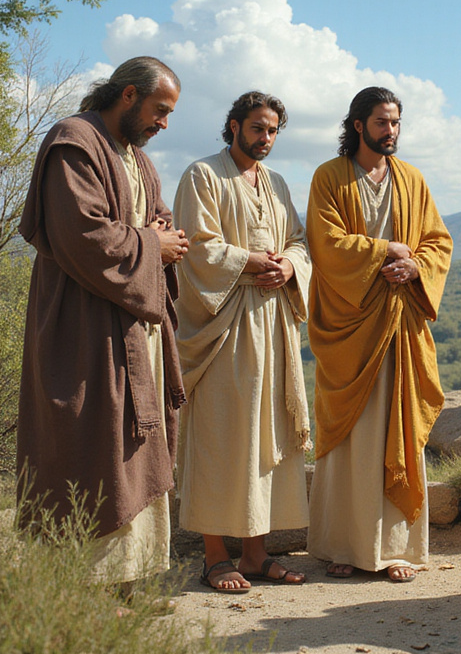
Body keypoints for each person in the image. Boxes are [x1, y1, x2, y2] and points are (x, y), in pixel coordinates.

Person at [17, 56, 190, 586]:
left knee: (134, 447)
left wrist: (159, 231)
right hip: (83, 328)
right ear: (129, 95)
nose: (164, 124)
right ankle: (82, 591)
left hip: (136, 329)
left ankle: (131, 580)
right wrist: (151, 244)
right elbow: (82, 235)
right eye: (160, 110)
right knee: (89, 445)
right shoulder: (75, 140)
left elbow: (151, 213)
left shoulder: (136, 157)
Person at [305, 86, 452, 583]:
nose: (390, 131)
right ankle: (342, 546)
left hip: (402, 326)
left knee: (399, 426)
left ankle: (396, 549)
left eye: (396, 123)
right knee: (353, 436)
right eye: (381, 122)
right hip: (353, 328)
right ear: (357, 125)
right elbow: (325, 243)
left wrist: (414, 266)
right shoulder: (329, 176)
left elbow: (437, 241)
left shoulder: (411, 178)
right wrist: (385, 250)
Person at [173, 91, 312, 593]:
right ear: (234, 126)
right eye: (257, 128)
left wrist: (290, 266)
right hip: (224, 327)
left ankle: (256, 555)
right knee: (221, 436)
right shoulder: (202, 175)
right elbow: (197, 246)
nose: (266, 138)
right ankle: (215, 557)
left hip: (274, 323)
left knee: (267, 439)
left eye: (273, 130)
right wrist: (254, 262)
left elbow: (297, 238)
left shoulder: (275, 182)